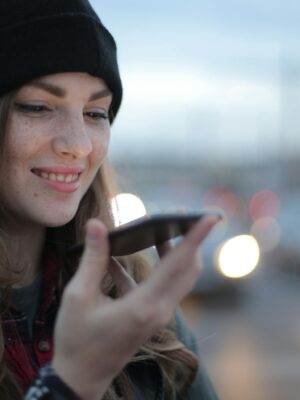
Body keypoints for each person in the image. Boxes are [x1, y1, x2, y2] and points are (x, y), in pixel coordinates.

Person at [0, 1, 220, 399]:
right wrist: (75, 380)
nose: (79, 145)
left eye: (96, 113)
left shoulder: (131, 295)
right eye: (38, 107)